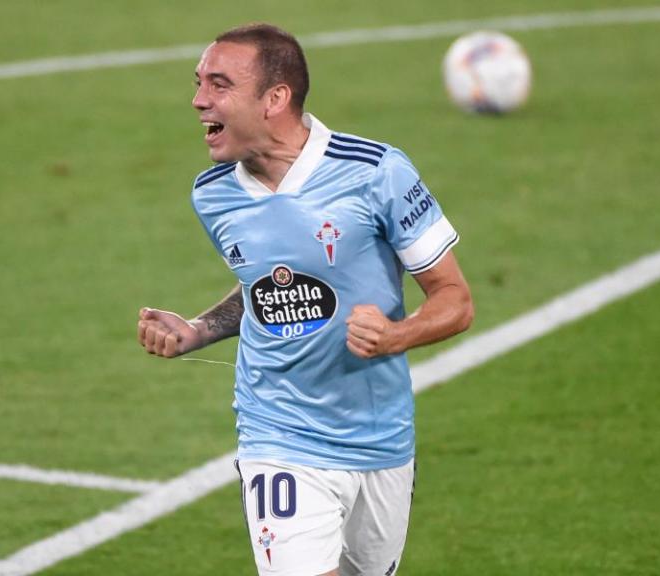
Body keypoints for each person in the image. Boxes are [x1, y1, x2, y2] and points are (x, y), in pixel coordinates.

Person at [137, 23, 473, 576]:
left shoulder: (375, 172)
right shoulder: (213, 193)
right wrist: (199, 329)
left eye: (219, 85)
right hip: (279, 431)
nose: (199, 100)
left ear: (275, 98)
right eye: (198, 83)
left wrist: (395, 335)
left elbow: (455, 299)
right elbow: (266, 286)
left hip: (380, 436)